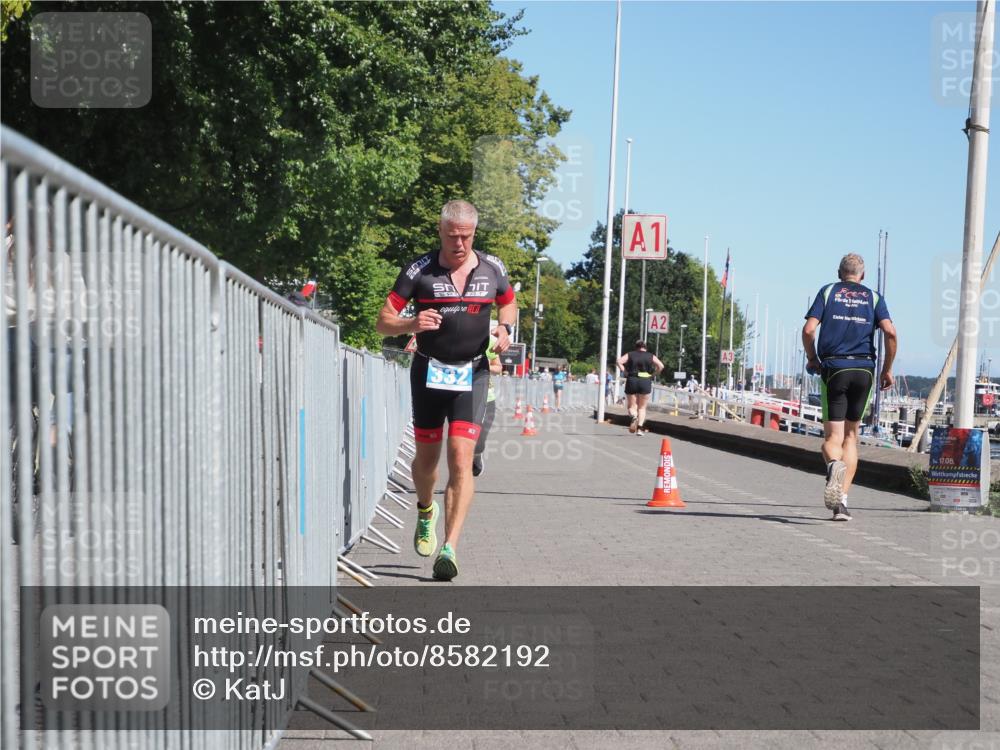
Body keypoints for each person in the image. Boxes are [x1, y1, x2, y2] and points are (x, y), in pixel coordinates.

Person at [376, 200, 516, 579]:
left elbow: (509, 304)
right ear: (440, 232)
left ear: (474, 233)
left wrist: (505, 329)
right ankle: (425, 510)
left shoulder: (492, 268)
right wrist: (410, 323)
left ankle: (449, 547)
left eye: (466, 237)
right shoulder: (418, 271)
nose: (459, 244)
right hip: (428, 372)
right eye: (452, 236)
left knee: (460, 454)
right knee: (426, 463)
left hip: (472, 372)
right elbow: (383, 322)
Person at [802, 253, 896, 522]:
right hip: (864, 370)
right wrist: (887, 369)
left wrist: (812, 358)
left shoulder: (828, 291)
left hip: (835, 369)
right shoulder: (874, 297)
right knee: (851, 437)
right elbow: (890, 332)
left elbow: (809, 330)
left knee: (832, 440)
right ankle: (841, 503)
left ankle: (833, 467)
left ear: (838, 272)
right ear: (862, 275)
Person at [617, 340, 664, 435]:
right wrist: (653, 374)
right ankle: (639, 429)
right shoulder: (651, 356)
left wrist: (625, 372)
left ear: (636, 347)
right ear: (645, 347)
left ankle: (634, 417)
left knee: (631, 406)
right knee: (642, 407)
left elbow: (619, 361)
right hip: (645, 380)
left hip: (632, 379)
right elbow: (661, 366)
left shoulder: (630, 354)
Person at [472, 335, 502, 477]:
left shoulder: (488, 340)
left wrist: (482, 364)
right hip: (461, 395)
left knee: (479, 442)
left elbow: (498, 367)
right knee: (460, 441)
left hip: (486, 397)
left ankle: (477, 456)